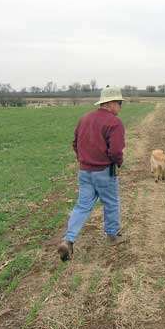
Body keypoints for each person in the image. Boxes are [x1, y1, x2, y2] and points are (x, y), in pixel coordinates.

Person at [58, 86, 127, 262]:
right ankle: (112, 236)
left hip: (84, 171)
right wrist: (117, 163)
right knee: (111, 203)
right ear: (110, 103)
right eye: (119, 103)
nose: (120, 107)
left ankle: (68, 239)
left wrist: (83, 160)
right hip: (104, 171)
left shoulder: (84, 118)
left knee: (82, 206)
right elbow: (116, 150)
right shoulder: (114, 123)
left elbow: (75, 143)